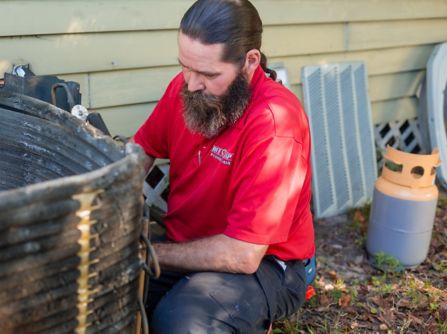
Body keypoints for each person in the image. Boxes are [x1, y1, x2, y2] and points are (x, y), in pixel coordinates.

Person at [132, 0, 315, 332]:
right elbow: (140, 152)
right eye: (185, 67)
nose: (191, 84)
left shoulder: (276, 124)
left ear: (250, 61)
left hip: (266, 265)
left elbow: (242, 255)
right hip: (186, 246)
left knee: (181, 323)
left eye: (207, 74)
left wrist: (147, 253)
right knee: (105, 291)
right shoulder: (184, 87)